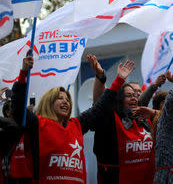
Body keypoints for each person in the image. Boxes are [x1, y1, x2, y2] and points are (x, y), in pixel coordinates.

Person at [11, 52, 120, 184]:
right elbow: (17, 109)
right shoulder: (37, 124)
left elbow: (100, 109)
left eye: (67, 99)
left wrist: (106, 77)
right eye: (60, 98)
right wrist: (23, 74)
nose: (65, 102)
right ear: (49, 102)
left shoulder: (76, 124)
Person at [87, 55, 158, 184]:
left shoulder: (145, 118)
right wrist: (100, 76)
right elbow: (100, 104)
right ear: (119, 99)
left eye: (136, 95)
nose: (134, 98)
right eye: (128, 95)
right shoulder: (111, 119)